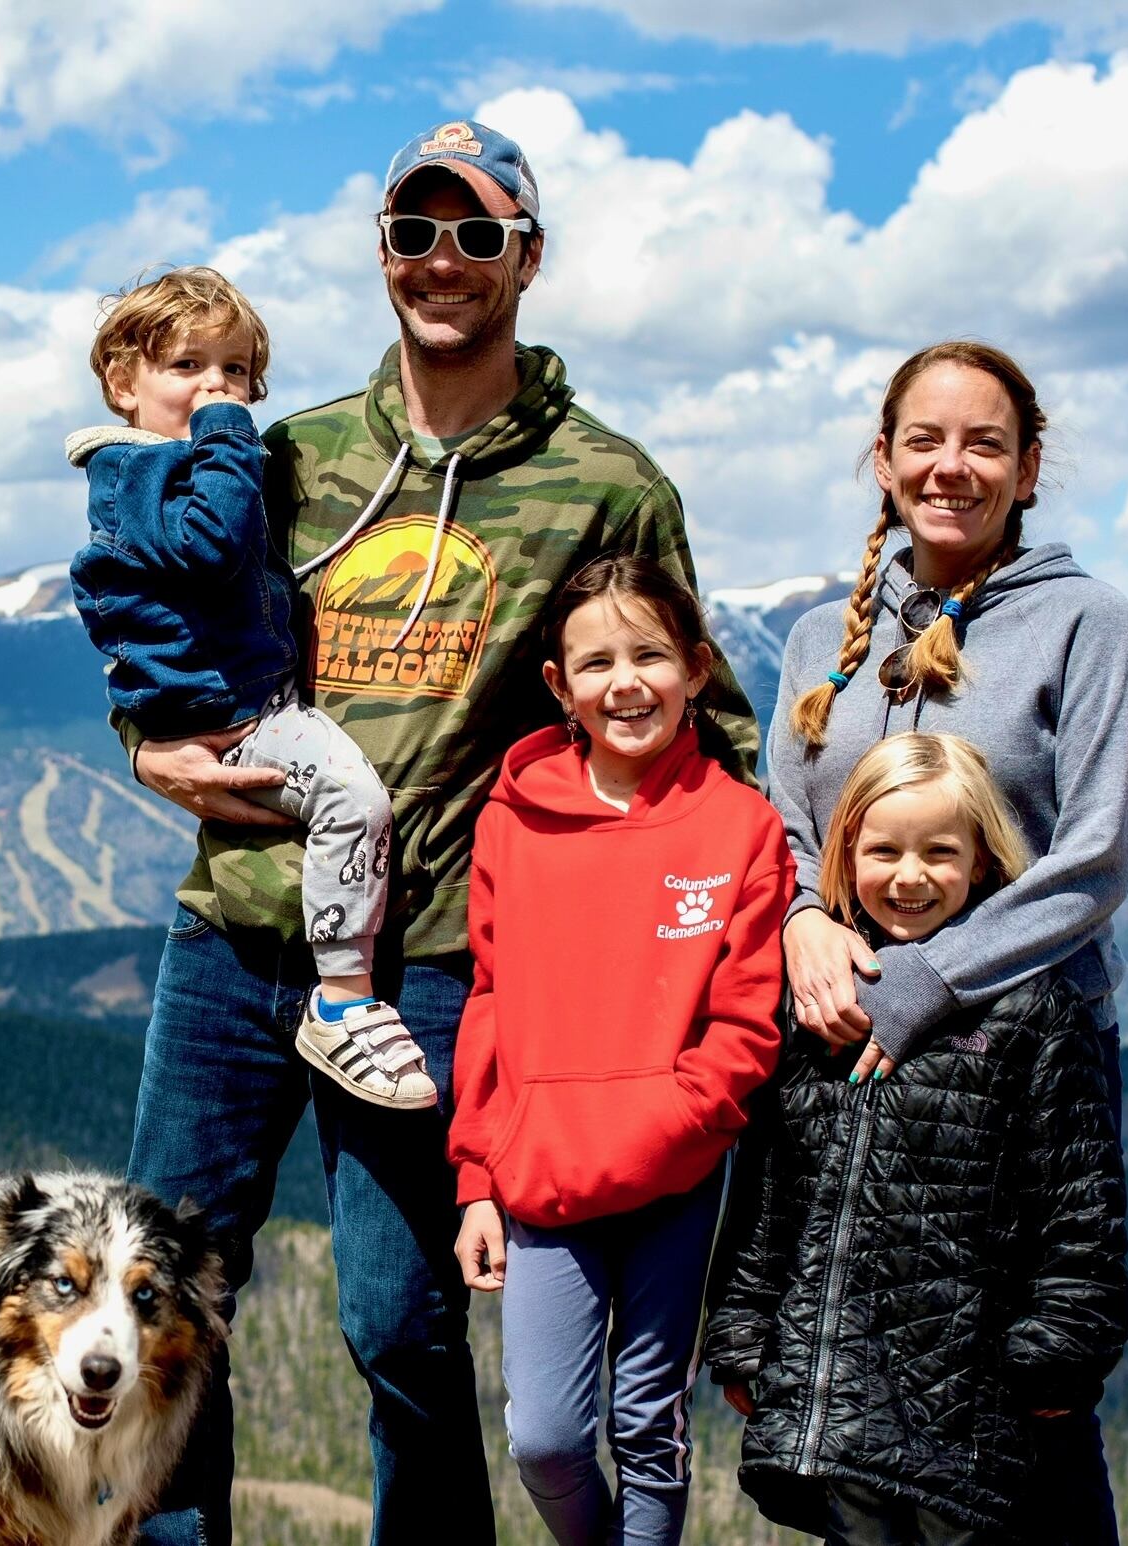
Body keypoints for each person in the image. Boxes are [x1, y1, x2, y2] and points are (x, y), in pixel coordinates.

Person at [116, 120, 759, 1546]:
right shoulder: (283, 456)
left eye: (477, 233)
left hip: (431, 955)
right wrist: (145, 744)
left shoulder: (606, 483)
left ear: (529, 256)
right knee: (164, 1293)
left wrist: (789, 917)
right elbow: (171, 619)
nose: (442, 261)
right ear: (384, 252)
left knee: (398, 1325)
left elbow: (699, 714)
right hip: (233, 925)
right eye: (415, 231)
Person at [767, 340, 1128, 1542]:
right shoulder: (817, 636)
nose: (952, 466)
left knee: (1028, 1383)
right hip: (849, 1053)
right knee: (867, 1386)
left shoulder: (1082, 622)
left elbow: (1090, 858)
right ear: (880, 461)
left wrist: (928, 979)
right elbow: (785, 825)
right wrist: (804, 926)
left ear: (1028, 466)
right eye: (923, 441)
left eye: (984, 443)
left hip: (1021, 1065)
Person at [706, 732, 1128, 1545]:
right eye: (884, 850)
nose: (910, 875)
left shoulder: (1029, 1013)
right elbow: (767, 1195)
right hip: (842, 1409)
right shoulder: (819, 1012)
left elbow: (1081, 1209)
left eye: (940, 851)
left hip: (971, 1409)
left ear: (983, 859)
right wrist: (743, 1333)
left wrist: (1059, 1351)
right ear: (845, 854)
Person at [447, 557, 789, 1546]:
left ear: (694, 666)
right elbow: (490, 995)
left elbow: (745, 1016)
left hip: (672, 1180)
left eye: (649, 654)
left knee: (648, 1423)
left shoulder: (739, 825)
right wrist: (478, 1172)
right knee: (547, 1436)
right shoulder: (513, 821)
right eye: (596, 662)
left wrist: (674, 1120)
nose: (625, 681)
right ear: (559, 684)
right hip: (543, 1179)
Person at [67, 266, 434, 1110]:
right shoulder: (145, 475)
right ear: (123, 384)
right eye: (186, 366)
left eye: (234, 373)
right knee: (354, 803)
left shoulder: (162, 471)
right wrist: (229, 431)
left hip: (236, 700)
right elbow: (217, 548)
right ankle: (344, 1000)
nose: (215, 388)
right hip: (238, 716)